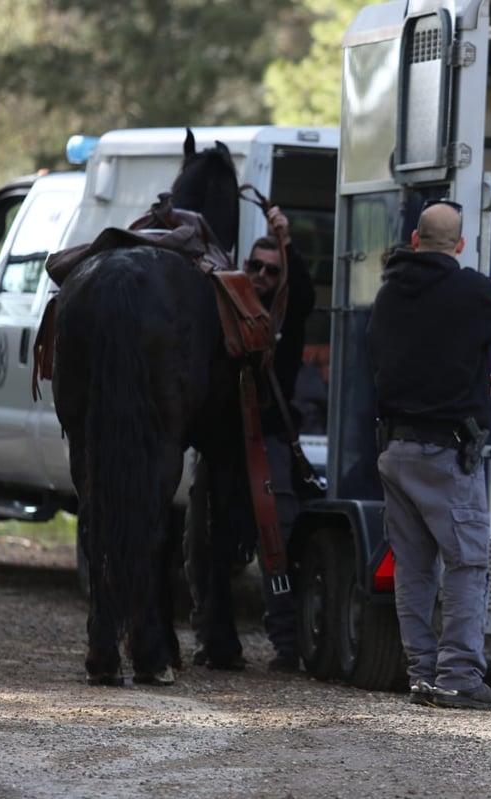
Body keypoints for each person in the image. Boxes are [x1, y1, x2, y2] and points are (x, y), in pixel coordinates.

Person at [365, 198, 491, 710]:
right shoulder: (470, 290)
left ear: (416, 240)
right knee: (466, 564)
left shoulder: (389, 293)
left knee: (414, 569)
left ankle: (423, 675)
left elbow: (395, 353)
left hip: (394, 451)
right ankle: (459, 677)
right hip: (445, 455)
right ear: (459, 246)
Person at [185, 204, 316, 673]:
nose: (260, 275)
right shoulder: (223, 308)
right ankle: (216, 643)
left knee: (276, 546)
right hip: (222, 446)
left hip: (271, 445)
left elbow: (299, 291)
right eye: (254, 267)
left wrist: (287, 243)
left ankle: (287, 646)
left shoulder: (288, 313)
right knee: (202, 545)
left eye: (270, 269)